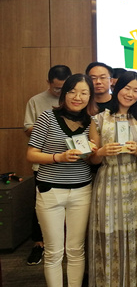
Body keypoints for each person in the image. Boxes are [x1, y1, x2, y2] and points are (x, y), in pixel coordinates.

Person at [26, 73, 96, 287]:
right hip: (50, 191)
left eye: (84, 93)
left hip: (82, 190)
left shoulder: (91, 122)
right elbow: (31, 154)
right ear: (64, 94)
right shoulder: (47, 117)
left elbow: (93, 160)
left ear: (90, 96)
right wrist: (59, 157)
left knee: (76, 249)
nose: (78, 97)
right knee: (53, 251)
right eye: (72, 92)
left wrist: (94, 151)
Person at [87, 71, 137, 286]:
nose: (130, 94)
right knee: (109, 230)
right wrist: (101, 152)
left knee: (135, 231)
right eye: (126, 88)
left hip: (135, 180)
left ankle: (135, 280)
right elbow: (92, 159)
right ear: (116, 88)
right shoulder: (99, 119)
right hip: (108, 179)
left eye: (136, 90)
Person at [23, 64, 72, 265]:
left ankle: (68, 246)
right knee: (41, 207)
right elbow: (27, 128)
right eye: (56, 88)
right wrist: (49, 126)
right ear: (48, 83)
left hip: (72, 166)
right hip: (45, 164)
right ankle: (39, 244)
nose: (60, 92)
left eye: (64, 88)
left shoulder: (75, 99)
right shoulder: (36, 101)